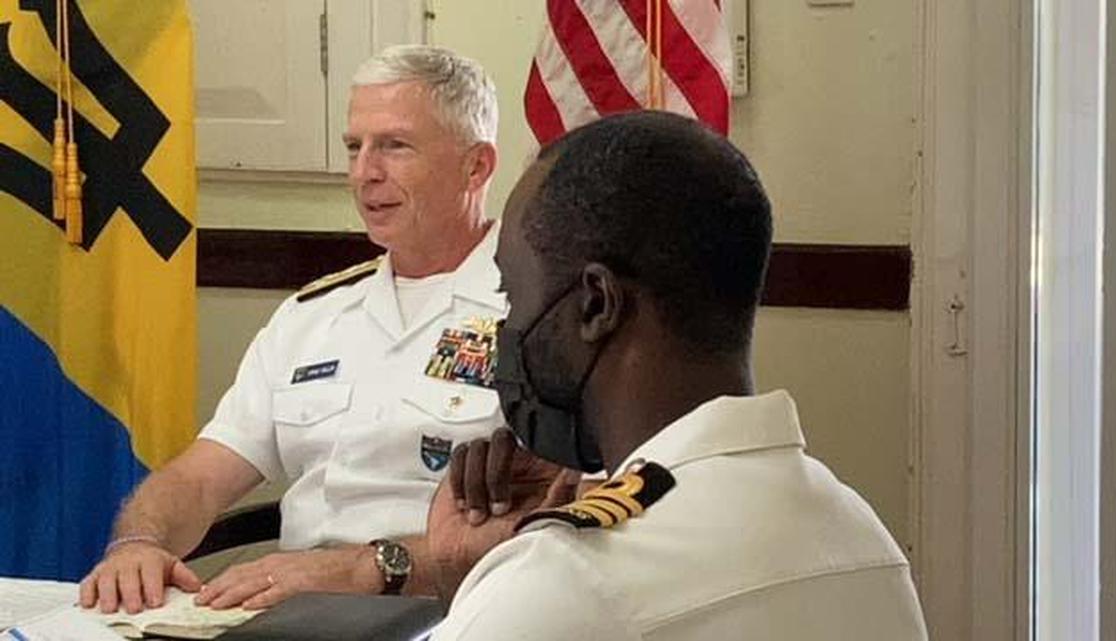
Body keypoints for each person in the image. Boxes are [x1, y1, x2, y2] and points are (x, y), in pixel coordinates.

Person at [426, 111, 929, 640]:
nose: (509, 325)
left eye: (512, 295)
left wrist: (483, 592)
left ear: (596, 304)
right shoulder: (861, 540)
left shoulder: (568, 581)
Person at [80, 44, 506, 614]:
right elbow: (202, 477)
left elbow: (562, 517)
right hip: (299, 613)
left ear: (476, 166)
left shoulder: (542, 312)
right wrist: (138, 544)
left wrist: (364, 570)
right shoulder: (313, 316)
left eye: (395, 147)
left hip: (464, 610)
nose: (364, 174)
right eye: (355, 147)